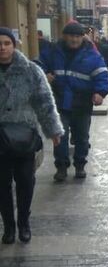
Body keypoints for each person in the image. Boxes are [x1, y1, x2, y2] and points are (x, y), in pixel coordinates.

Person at [0, 27, 63, 244]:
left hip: (23, 137)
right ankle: (8, 226)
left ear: (14, 45)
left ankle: (23, 222)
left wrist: (53, 130)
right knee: (2, 184)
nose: (2, 48)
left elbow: (45, 102)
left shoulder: (30, 71)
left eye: (7, 43)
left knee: (25, 181)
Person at [40, 22, 108, 182]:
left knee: (81, 138)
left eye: (78, 36)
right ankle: (62, 167)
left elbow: (102, 75)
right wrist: (45, 75)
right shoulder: (52, 52)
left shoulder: (92, 55)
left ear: (82, 37)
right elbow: (37, 66)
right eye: (71, 36)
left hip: (82, 104)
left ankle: (80, 165)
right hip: (59, 103)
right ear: (64, 36)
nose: (74, 39)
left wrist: (100, 92)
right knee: (60, 137)